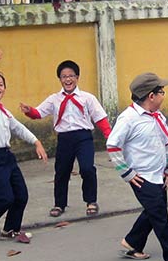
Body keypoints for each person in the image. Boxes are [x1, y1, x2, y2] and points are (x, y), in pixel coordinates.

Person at [106, 72, 168, 261]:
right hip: (142, 178)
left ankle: (132, 242)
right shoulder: (129, 119)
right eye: (161, 92)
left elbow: (166, 145)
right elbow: (113, 145)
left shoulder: (158, 116)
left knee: (154, 211)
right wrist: (128, 174)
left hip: (159, 175)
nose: (163, 95)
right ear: (151, 96)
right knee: (160, 217)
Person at [0, 49, 48, 245]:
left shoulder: (4, 112)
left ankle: (10, 229)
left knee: (21, 195)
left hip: (7, 157)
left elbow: (19, 128)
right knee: (5, 197)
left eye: (1, 85)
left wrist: (36, 141)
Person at [20, 60, 111, 218]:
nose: (68, 79)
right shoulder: (54, 99)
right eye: (64, 76)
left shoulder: (87, 98)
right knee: (61, 172)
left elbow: (100, 118)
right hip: (64, 139)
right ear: (60, 79)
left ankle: (91, 201)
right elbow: (38, 113)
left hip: (83, 138)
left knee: (87, 169)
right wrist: (29, 111)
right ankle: (59, 204)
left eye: (71, 76)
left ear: (77, 77)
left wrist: (110, 137)